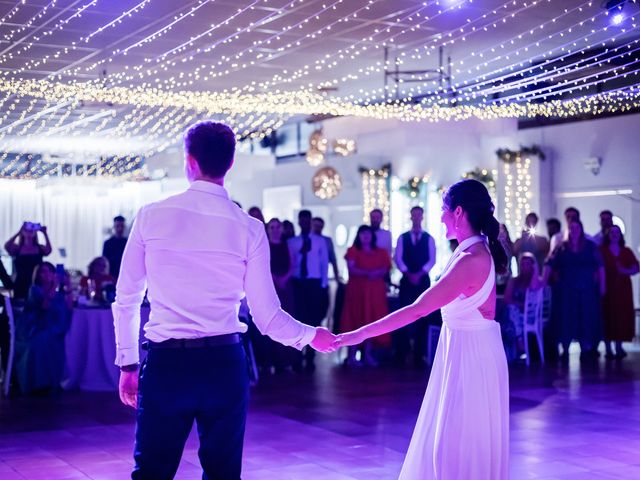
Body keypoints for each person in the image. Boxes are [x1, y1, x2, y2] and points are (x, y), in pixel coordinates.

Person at [113, 121, 335, 480]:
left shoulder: (151, 216)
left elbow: (126, 298)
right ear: (230, 164)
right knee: (223, 473)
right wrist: (312, 336)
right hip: (224, 363)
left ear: (190, 160)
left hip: (167, 364)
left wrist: (127, 363)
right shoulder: (248, 228)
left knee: (152, 471)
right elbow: (268, 318)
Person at [335, 179, 509, 480]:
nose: (439, 217)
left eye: (443, 210)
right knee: (451, 445)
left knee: (454, 448)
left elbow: (417, 309)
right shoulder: (470, 252)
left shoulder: (471, 259)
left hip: (471, 357)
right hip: (465, 350)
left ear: (457, 212)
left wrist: (357, 334)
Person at [544, 220, 605, 360]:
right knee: (566, 318)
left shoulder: (590, 246)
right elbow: (549, 263)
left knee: (585, 318)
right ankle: (565, 349)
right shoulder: (561, 247)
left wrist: (603, 285)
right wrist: (546, 278)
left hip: (586, 290)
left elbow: (600, 266)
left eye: (577, 227)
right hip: (566, 291)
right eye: (571, 227)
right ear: (568, 230)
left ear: (581, 229)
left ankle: (585, 348)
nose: (574, 230)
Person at [15, 262, 72, 395]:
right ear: (38, 275)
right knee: (41, 342)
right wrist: (55, 286)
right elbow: (44, 306)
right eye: (42, 272)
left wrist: (68, 286)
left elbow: (69, 307)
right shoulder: (34, 289)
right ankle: (38, 383)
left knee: (58, 338)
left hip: (52, 326)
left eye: (49, 271)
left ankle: (55, 381)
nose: (46, 275)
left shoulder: (58, 293)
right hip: (34, 326)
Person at [340, 225, 391, 366]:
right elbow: (351, 268)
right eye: (362, 234)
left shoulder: (381, 252)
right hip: (356, 292)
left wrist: (373, 274)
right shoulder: (353, 250)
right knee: (354, 321)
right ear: (358, 236)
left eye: (368, 233)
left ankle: (368, 355)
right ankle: (351, 356)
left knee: (371, 321)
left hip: (375, 292)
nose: (365, 236)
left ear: (372, 235)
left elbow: (386, 268)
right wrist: (368, 273)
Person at [393, 206, 436, 366]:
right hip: (406, 281)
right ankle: (401, 354)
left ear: (422, 217)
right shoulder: (402, 238)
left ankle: (419, 355)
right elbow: (398, 258)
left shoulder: (429, 238)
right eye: (414, 215)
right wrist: (408, 273)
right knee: (402, 316)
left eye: (419, 215)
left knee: (423, 317)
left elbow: (432, 260)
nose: (416, 218)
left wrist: (420, 274)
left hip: (423, 282)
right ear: (411, 217)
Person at [288, 210, 330, 371]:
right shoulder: (293, 242)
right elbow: (291, 262)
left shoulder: (319, 241)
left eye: (307, 220)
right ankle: (297, 356)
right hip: (298, 283)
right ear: (299, 222)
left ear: (310, 221)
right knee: (297, 319)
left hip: (314, 283)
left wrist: (323, 286)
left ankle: (311, 357)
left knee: (313, 320)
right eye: (302, 220)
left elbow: (324, 263)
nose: (304, 223)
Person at [600, 225, 639, 359]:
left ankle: (618, 346)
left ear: (621, 235)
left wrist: (624, 271)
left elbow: (635, 268)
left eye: (617, 232)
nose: (615, 234)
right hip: (607, 288)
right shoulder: (602, 251)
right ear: (608, 234)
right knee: (607, 316)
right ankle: (608, 349)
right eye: (612, 232)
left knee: (621, 317)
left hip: (623, 290)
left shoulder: (626, 251)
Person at [502, 253, 543, 356]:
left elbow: (535, 290)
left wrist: (535, 272)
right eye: (523, 264)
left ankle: (520, 342)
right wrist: (519, 304)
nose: (525, 267)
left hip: (530, 315)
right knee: (511, 310)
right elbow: (507, 298)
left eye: (528, 264)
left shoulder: (535, 281)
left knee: (512, 313)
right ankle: (518, 342)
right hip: (515, 313)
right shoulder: (514, 280)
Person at [4, 222, 52, 300]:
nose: (29, 232)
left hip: (36, 283)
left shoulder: (39, 248)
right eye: (26, 230)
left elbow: (48, 250)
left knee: (36, 306)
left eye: (31, 230)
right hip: (20, 283)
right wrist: (19, 232)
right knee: (20, 307)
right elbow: (7, 246)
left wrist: (45, 233)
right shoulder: (18, 248)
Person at [312, 216, 341, 281]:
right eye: (316, 225)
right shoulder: (306, 240)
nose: (318, 228)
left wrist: (337, 278)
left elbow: (333, 259)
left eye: (320, 226)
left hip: (323, 276)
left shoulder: (327, 241)